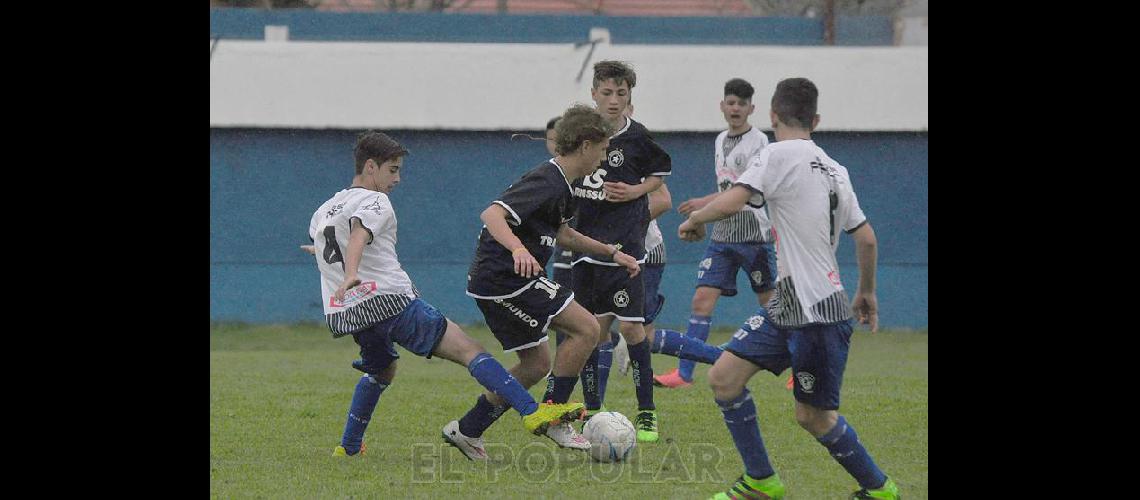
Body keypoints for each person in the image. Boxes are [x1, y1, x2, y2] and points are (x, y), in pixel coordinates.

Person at [677, 78, 899, 499]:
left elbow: (735, 197)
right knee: (725, 378)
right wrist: (866, 291)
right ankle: (761, 481)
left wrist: (694, 220)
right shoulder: (836, 167)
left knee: (813, 416)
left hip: (814, 313)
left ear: (772, 115)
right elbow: (866, 237)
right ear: (815, 119)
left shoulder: (775, 153)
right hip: (790, 303)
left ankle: (880, 489)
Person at [305, 131, 586, 458]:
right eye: (392, 169)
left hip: (350, 314)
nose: (397, 178)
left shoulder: (325, 209)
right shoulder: (374, 200)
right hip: (389, 302)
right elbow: (358, 235)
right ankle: (531, 411)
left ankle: (349, 447)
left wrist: (329, 257)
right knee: (471, 350)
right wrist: (352, 272)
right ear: (370, 167)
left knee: (381, 370)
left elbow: (333, 243)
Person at [443, 105, 642, 460]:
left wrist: (611, 252)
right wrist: (519, 249)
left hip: (508, 280)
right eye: (602, 149)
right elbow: (492, 214)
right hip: (504, 280)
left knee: (535, 364)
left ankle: (468, 429)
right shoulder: (547, 179)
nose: (603, 157)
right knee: (586, 328)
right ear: (584, 145)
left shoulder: (565, 186)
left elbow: (564, 234)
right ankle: (554, 416)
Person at [570, 60, 671, 443]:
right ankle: (593, 410)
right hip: (584, 247)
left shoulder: (639, 137)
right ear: (594, 93)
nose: (614, 100)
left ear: (630, 96)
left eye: (621, 93)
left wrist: (635, 191)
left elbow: (659, 175)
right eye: (607, 92)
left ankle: (646, 411)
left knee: (631, 328)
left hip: (626, 247)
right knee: (591, 331)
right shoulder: (582, 133)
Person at [654, 77, 777, 389]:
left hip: (752, 234)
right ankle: (684, 374)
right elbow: (731, 187)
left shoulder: (760, 142)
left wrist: (700, 214)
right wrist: (705, 203)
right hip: (722, 234)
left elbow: (747, 192)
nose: (735, 108)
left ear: (752, 108)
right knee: (701, 301)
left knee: (772, 304)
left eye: (742, 103)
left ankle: (803, 363)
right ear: (723, 106)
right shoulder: (720, 139)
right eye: (731, 102)